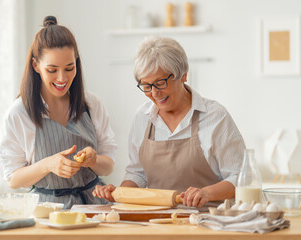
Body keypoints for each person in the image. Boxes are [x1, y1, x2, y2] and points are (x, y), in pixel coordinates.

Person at [93, 36, 245, 208]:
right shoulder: (142, 117)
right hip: (158, 222)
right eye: (146, 86)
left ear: (183, 75)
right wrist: (119, 193)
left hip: (209, 220)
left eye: (160, 83)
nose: (155, 93)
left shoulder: (215, 116)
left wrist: (206, 193)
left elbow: (241, 178)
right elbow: (138, 173)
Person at [0, 16, 117, 208]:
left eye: (69, 68)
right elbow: (13, 179)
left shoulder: (91, 104)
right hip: (47, 212)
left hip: (94, 206)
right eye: (52, 70)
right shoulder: (19, 112)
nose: (62, 78)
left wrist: (94, 160)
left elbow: (109, 165)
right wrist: (47, 165)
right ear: (36, 66)